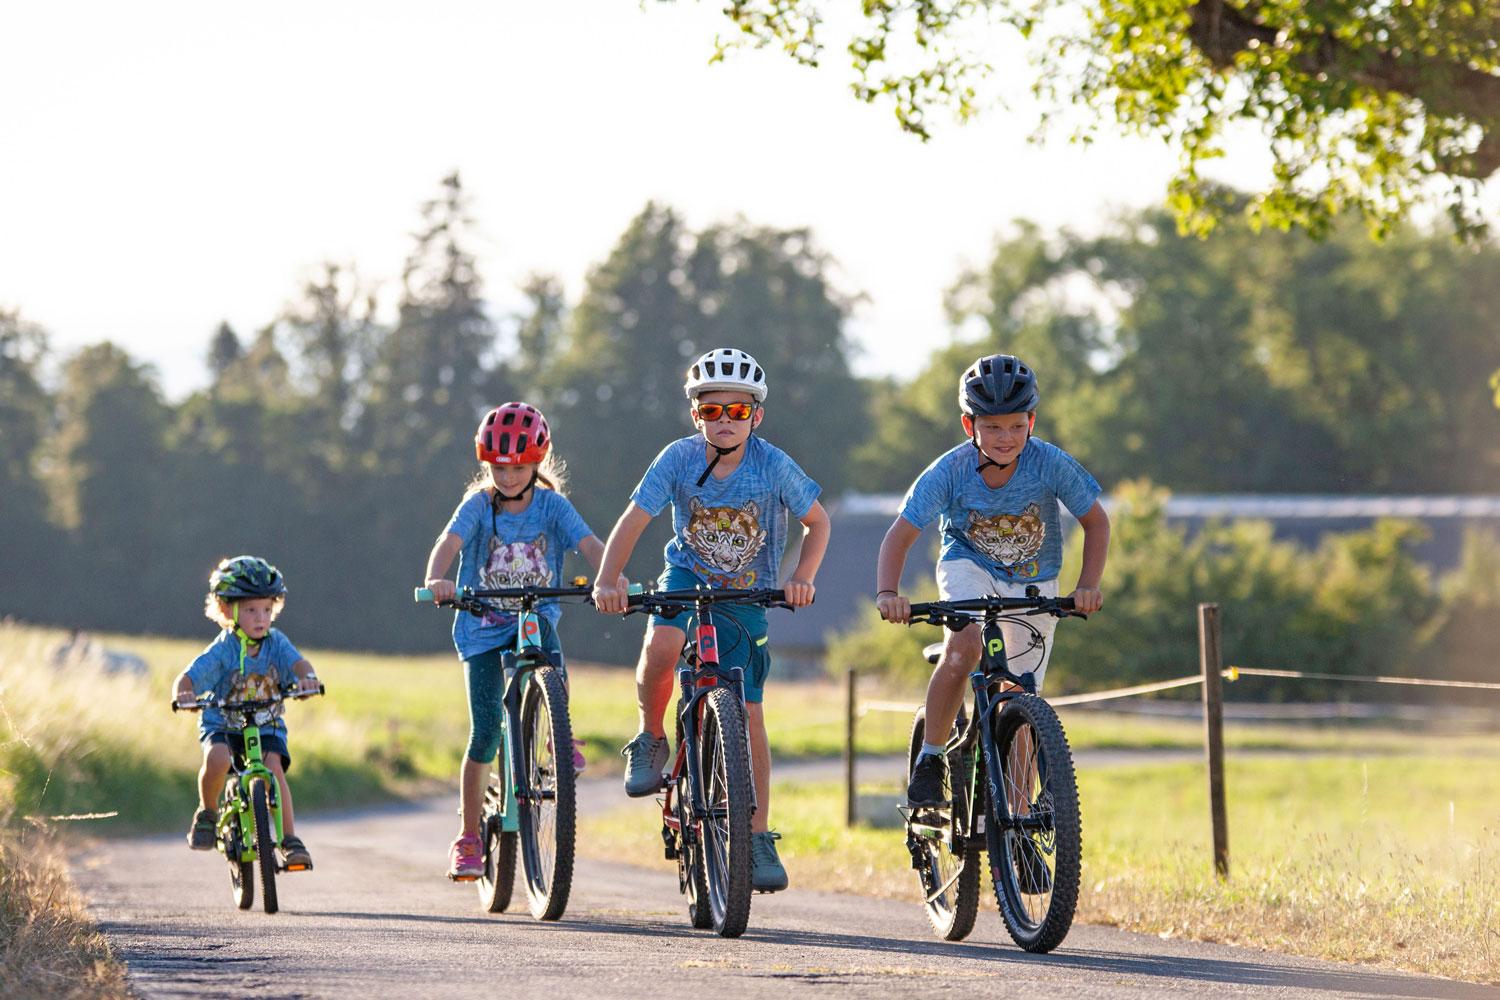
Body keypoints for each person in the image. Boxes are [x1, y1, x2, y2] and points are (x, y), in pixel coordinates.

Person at [592, 347, 831, 893]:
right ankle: (652, 737)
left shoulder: (773, 464)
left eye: (738, 411)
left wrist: (803, 577)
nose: (725, 421)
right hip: (686, 578)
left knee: (749, 713)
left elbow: (818, 522)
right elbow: (635, 519)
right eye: (712, 410)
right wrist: (610, 577)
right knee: (661, 650)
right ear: (696, 414)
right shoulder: (677, 458)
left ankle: (758, 834)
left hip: (748, 593)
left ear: (757, 415)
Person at [874, 353, 1109, 807]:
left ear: (1032, 422)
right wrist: (889, 593)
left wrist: (1087, 585)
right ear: (970, 426)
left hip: (1035, 577)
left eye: (1016, 427)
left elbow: (1097, 523)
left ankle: (1017, 822)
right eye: (993, 427)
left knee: (1020, 692)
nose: (1006, 438)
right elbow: (899, 536)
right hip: (969, 565)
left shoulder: (1050, 463)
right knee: (963, 648)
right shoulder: (949, 470)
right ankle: (931, 758)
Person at [421, 401, 609, 881]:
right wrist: (437, 579)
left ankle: (558, 738)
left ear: (537, 463)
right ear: (488, 464)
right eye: (499, 467)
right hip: (482, 627)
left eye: (519, 466)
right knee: (484, 732)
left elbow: (589, 544)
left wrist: (611, 576)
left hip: (532, 615)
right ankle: (466, 839)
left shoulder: (552, 506)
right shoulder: (478, 506)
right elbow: (449, 543)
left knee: (550, 658)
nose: (507, 476)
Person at [174, 555, 320, 868]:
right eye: (251, 609)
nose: (261, 617)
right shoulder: (224, 648)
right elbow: (191, 676)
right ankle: (208, 812)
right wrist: (184, 692)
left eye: (267, 609)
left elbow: (298, 664)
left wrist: (307, 679)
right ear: (227, 610)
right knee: (218, 759)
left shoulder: (276, 643)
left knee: (274, 770)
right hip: (223, 723)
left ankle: (290, 839)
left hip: (266, 724)